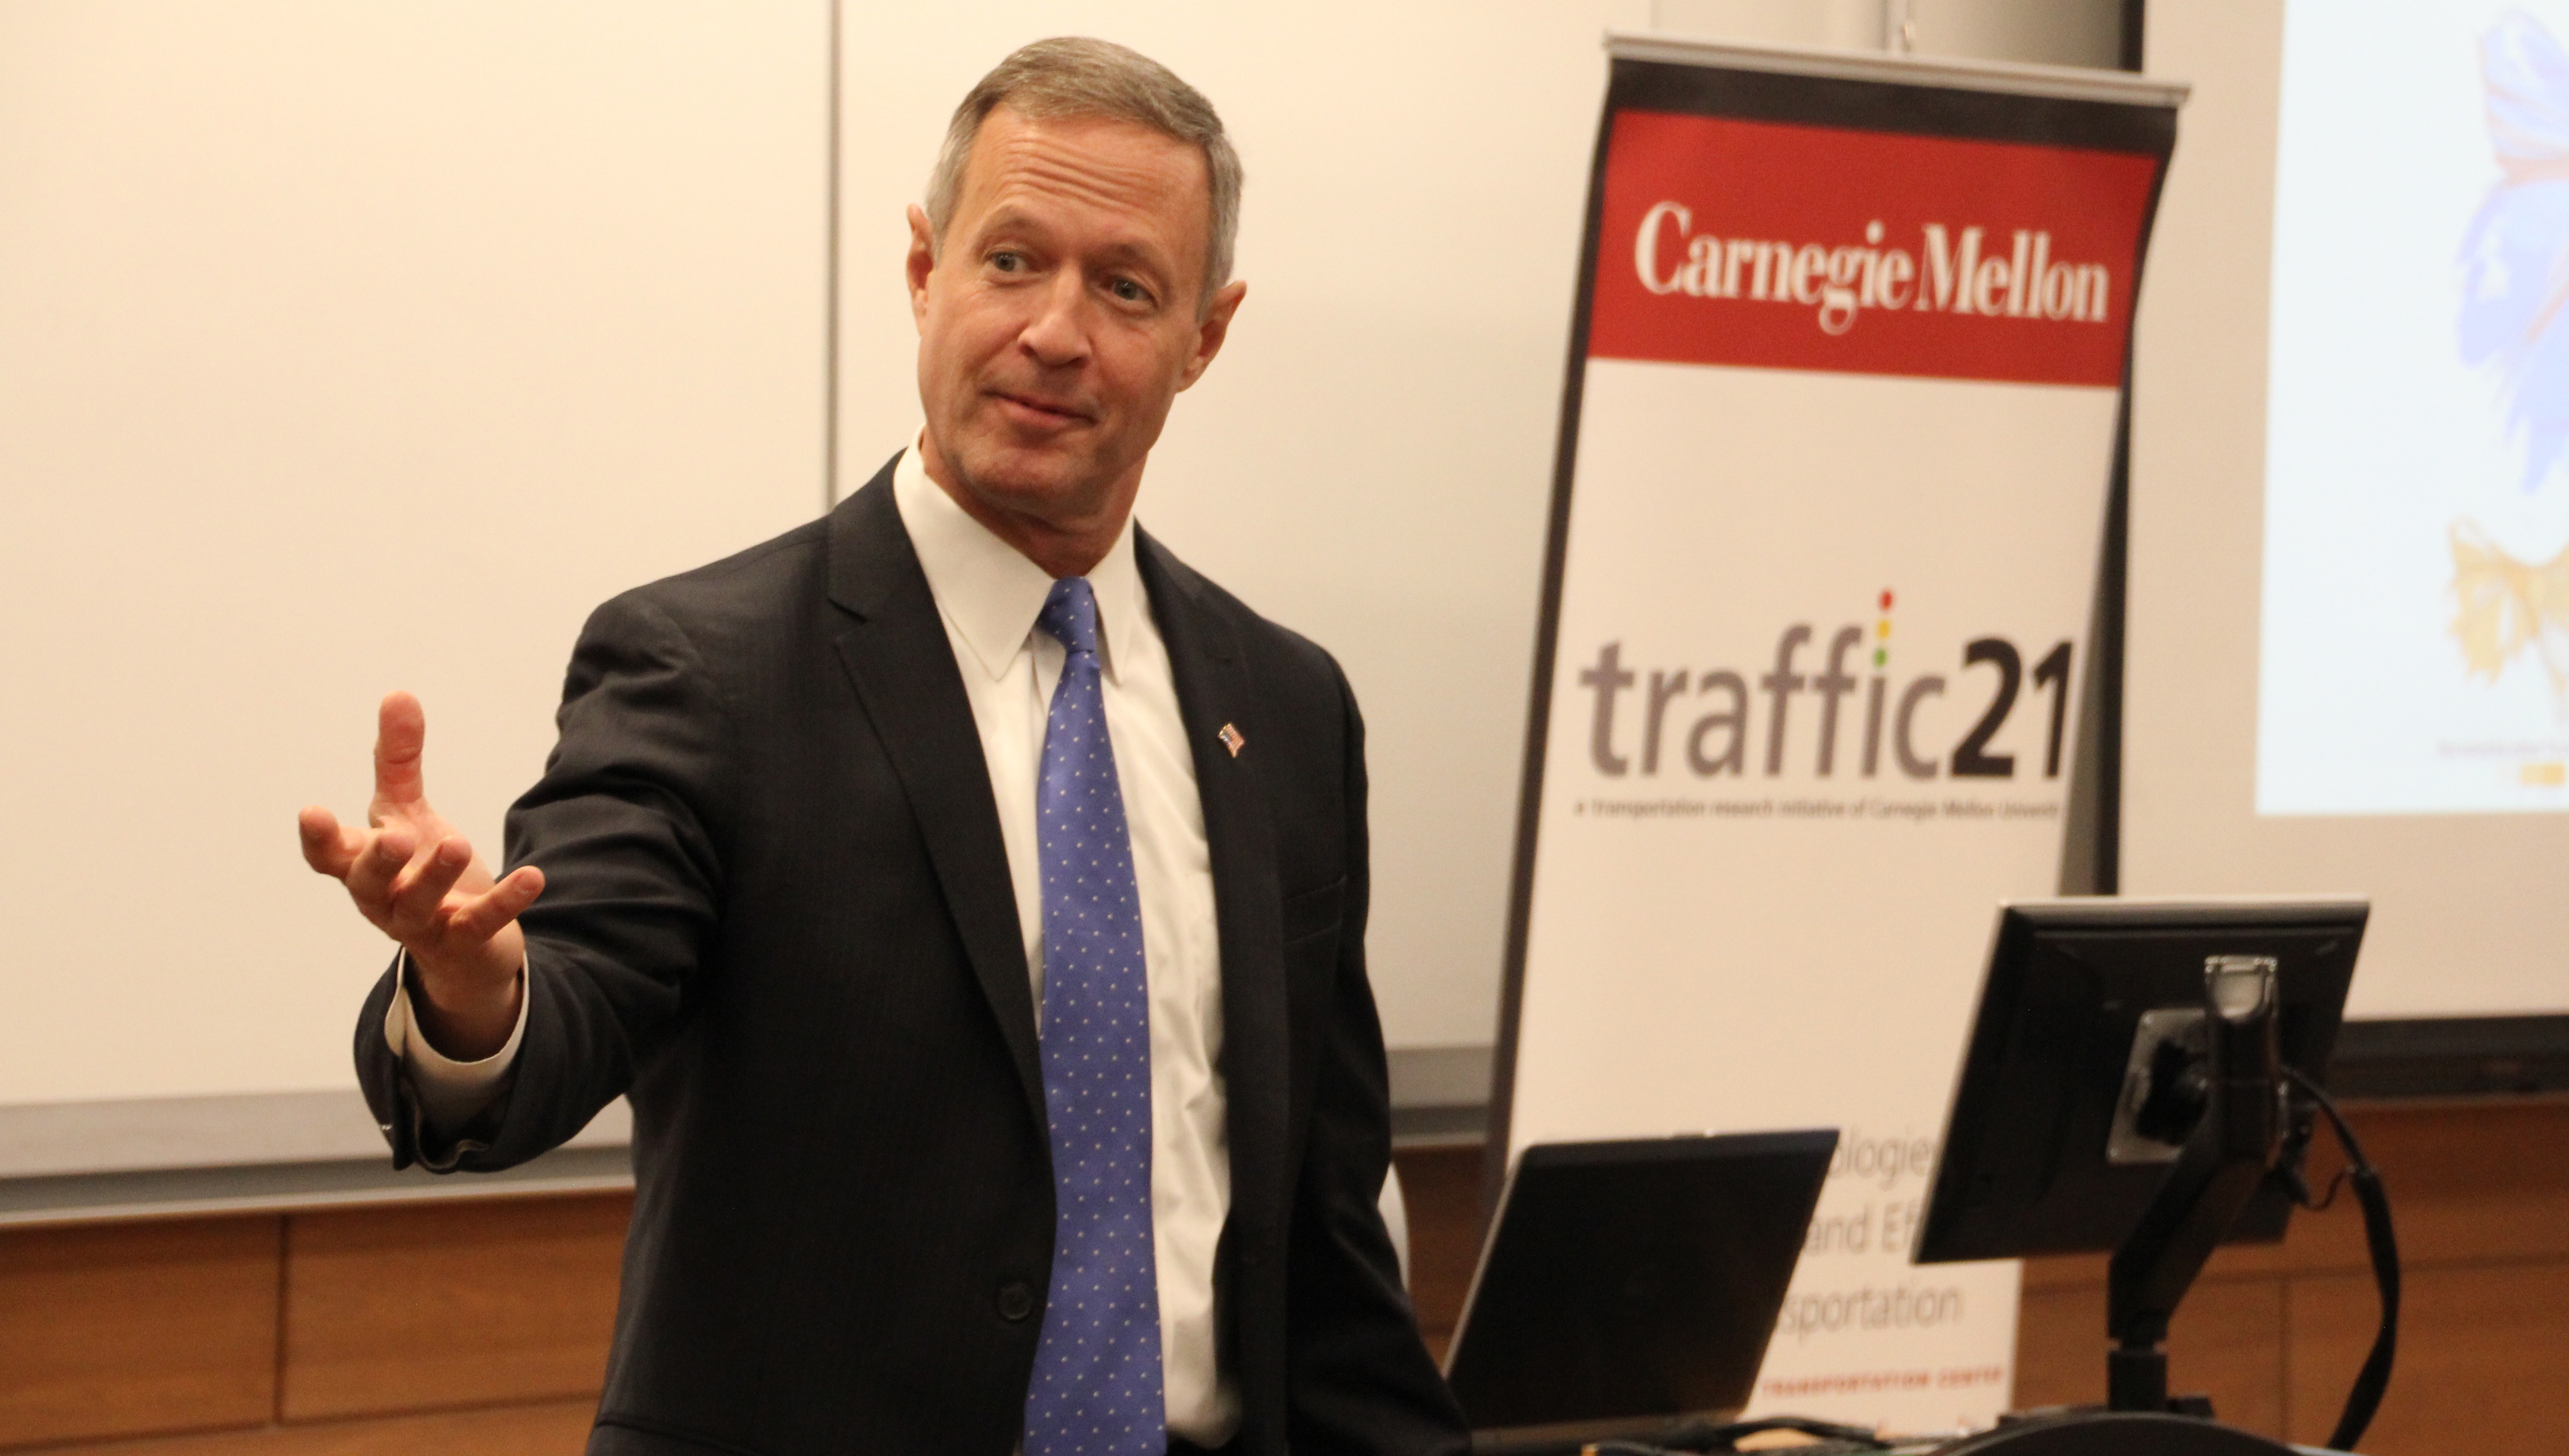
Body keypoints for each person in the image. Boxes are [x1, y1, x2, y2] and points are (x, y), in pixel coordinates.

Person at [295, 36, 1467, 1456]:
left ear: (1204, 338)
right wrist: (474, 985)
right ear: (925, 270)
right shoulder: (707, 664)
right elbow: (558, 1013)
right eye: (1014, 259)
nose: (1054, 330)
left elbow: (1327, 1234)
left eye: (1126, 287)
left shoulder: (1281, 706)